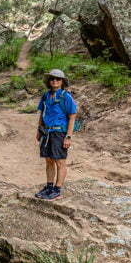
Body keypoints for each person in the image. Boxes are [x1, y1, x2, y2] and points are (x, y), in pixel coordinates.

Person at [34, 69, 77, 200]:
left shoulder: (66, 96)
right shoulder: (46, 96)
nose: (55, 81)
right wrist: (39, 130)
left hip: (59, 132)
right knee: (48, 160)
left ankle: (57, 190)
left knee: (60, 162)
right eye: (52, 79)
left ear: (62, 81)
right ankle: (49, 187)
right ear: (49, 81)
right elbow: (42, 113)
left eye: (58, 79)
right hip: (46, 132)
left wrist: (68, 136)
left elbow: (72, 116)